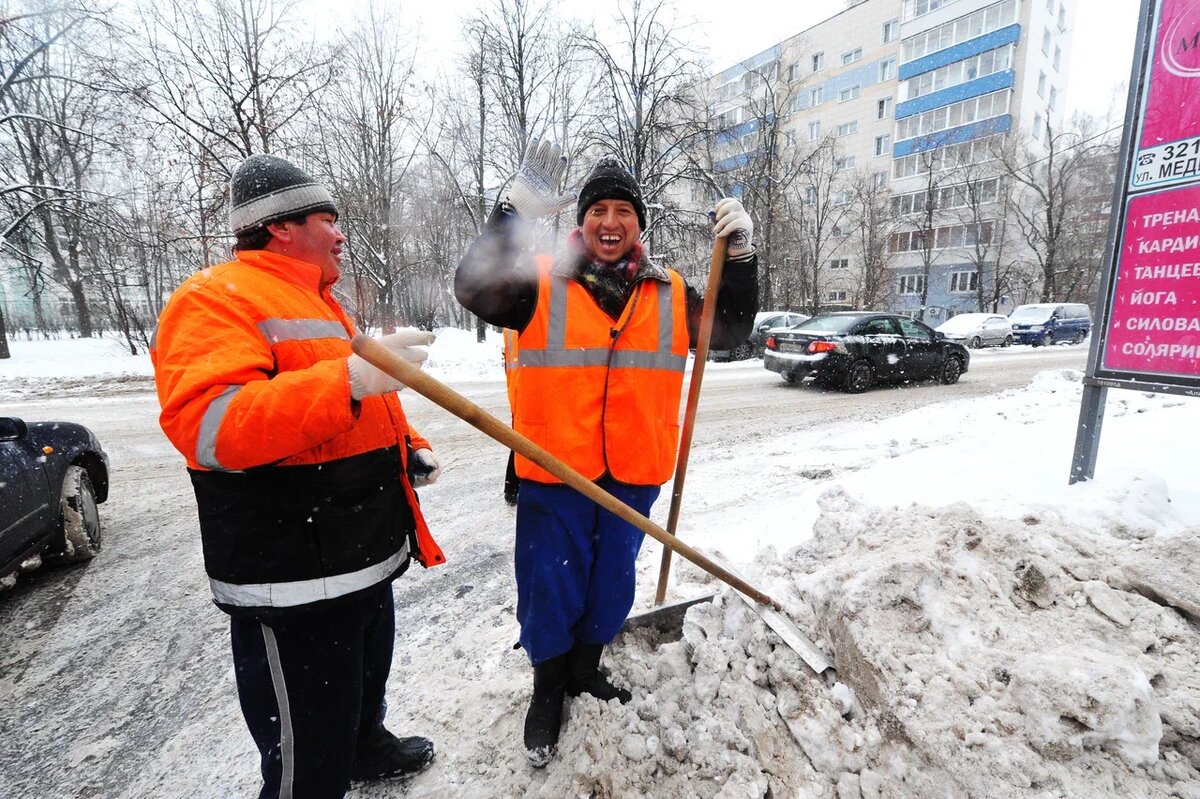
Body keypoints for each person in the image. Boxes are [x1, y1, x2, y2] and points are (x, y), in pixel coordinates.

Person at [454, 140, 758, 766]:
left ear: (640, 224)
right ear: (581, 221)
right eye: (599, 210)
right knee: (550, 587)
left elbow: (728, 331)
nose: (611, 222)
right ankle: (547, 688)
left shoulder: (671, 292)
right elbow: (474, 289)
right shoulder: (537, 284)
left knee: (610, 584)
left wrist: (742, 256)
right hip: (554, 471)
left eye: (624, 210)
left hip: (633, 472)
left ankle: (585, 669)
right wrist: (508, 217)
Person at [151, 153, 445, 798]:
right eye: (327, 218)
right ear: (280, 226)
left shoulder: (317, 300)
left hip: (357, 547)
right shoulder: (213, 299)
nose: (341, 233)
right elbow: (211, 426)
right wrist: (348, 379)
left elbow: (365, 403)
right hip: (292, 568)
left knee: (364, 674)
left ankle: (363, 744)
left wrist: (409, 445)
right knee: (304, 744)